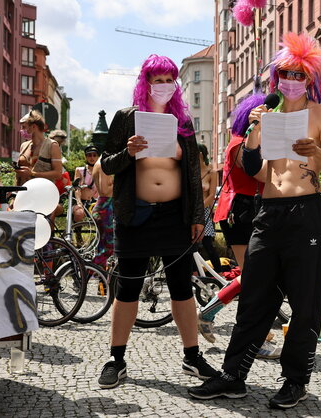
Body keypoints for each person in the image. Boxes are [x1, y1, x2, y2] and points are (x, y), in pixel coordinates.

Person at [188, 32, 321, 409]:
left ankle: (295, 381)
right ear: (276, 78)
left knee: (305, 304)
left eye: (299, 74)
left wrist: (314, 153)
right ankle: (233, 377)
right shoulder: (268, 116)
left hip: (307, 213)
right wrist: (255, 131)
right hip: (268, 214)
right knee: (254, 299)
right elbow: (254, 172)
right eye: (285, 74)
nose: (291, 81)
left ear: (310, 79)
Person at [97, 54, 217, 389]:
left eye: (169, 79)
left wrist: (196, 216)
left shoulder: (183, 121)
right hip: (135, 214)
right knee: (128, 288)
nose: (163, 86)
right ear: (145, 82)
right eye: (157, 79)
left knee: (181, 288)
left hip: (174, 216)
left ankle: (192, 357)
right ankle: (116, 358)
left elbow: (193, 173)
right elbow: (107, 165)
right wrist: (129, 153)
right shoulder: (126, 118)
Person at [196, 93, 281, 360]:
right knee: (257, 279)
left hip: (244, 211)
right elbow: (260, 174)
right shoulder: (240, 143)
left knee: (256, 276)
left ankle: (211, 312)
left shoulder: (241, 141)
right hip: (240, 212)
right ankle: (257, 338)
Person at [196, 143, 221, 273]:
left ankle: (220, 273)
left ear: (200, 154)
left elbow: (212, 195)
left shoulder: (212, 172)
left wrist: (199, 209)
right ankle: (194, 274)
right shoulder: (191, 170)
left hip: (203, 211)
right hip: (191, 211)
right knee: (191, 246)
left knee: (207, 244)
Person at [91, 157, 115, 268]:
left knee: (102, 249)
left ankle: (102, 282)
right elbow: (105, 190)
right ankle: (85, 273)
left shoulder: (101, 162)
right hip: (105, 210)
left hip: (104, 208)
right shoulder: (103, 163)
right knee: (109, 249)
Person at [73, 145, 100, 222]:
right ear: (86, 157)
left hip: (96, 202)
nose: (92, 157)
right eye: (89, 155)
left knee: (101, 215)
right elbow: (76, 188)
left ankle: (99, 234)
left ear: (98, 157)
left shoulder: (101, 171)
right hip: (82, 200)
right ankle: (77, 231)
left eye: (94, 155)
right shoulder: (79, 170)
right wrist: (79, 202)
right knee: (79, 213)